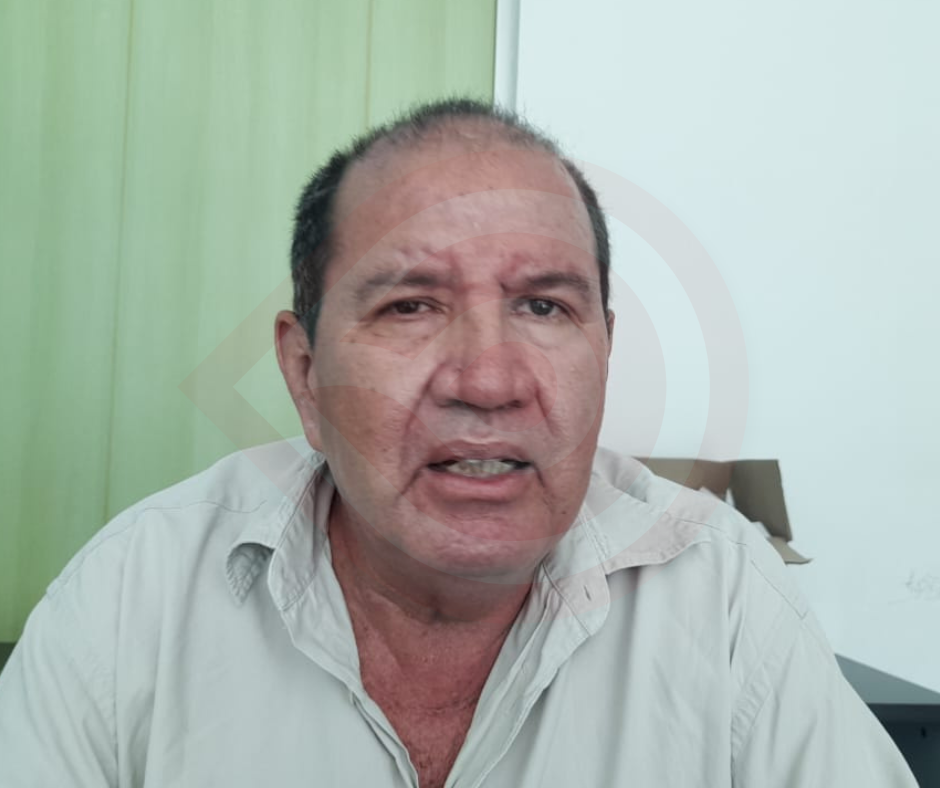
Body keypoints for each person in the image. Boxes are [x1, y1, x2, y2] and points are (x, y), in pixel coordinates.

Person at [0, 99, 917, 787]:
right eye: (411, 306)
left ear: (605, 353)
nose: (487, 380)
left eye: (544, 306)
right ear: (305, 374)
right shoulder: (134, 597)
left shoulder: (724, 598)